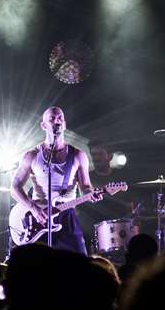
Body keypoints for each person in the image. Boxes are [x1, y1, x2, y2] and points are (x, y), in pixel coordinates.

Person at [10, 107, 102, 254]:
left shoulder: (78, 155)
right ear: (43, 125)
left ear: (64, 124)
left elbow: (85, 187)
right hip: (39, 217)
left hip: (67, 215)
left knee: (79, 265)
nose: (56, 121)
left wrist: (91, 193)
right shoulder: (32, 155)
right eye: (52, 118)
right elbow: (15, 187)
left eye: (59, 118)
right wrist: (33, 209)